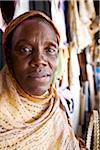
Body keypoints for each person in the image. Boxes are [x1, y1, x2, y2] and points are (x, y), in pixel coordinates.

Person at [0, 11, 85, 150]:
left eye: (50, 50)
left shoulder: (54, 105)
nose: (39, 60)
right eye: (25, 49)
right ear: (9, 58)